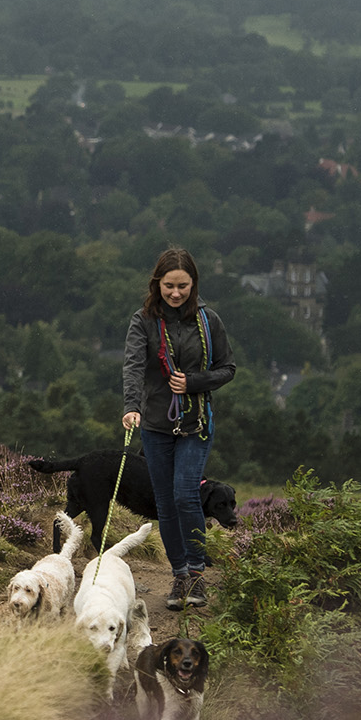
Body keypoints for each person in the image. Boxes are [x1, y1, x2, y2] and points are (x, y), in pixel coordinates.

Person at [123, 246, 234, 612]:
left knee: (186, 494)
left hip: (195, 423)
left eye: (182, 286)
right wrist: (131, 408)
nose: (175, 293)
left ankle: (198, 572)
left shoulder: (209, 320)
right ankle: (180, 573)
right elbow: (134, 367)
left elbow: (227, 368)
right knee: (166, 502)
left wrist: (194, 382)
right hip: (155, 425)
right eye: (169, 286)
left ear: (193, 284)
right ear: (157, 284)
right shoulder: (142, 321)